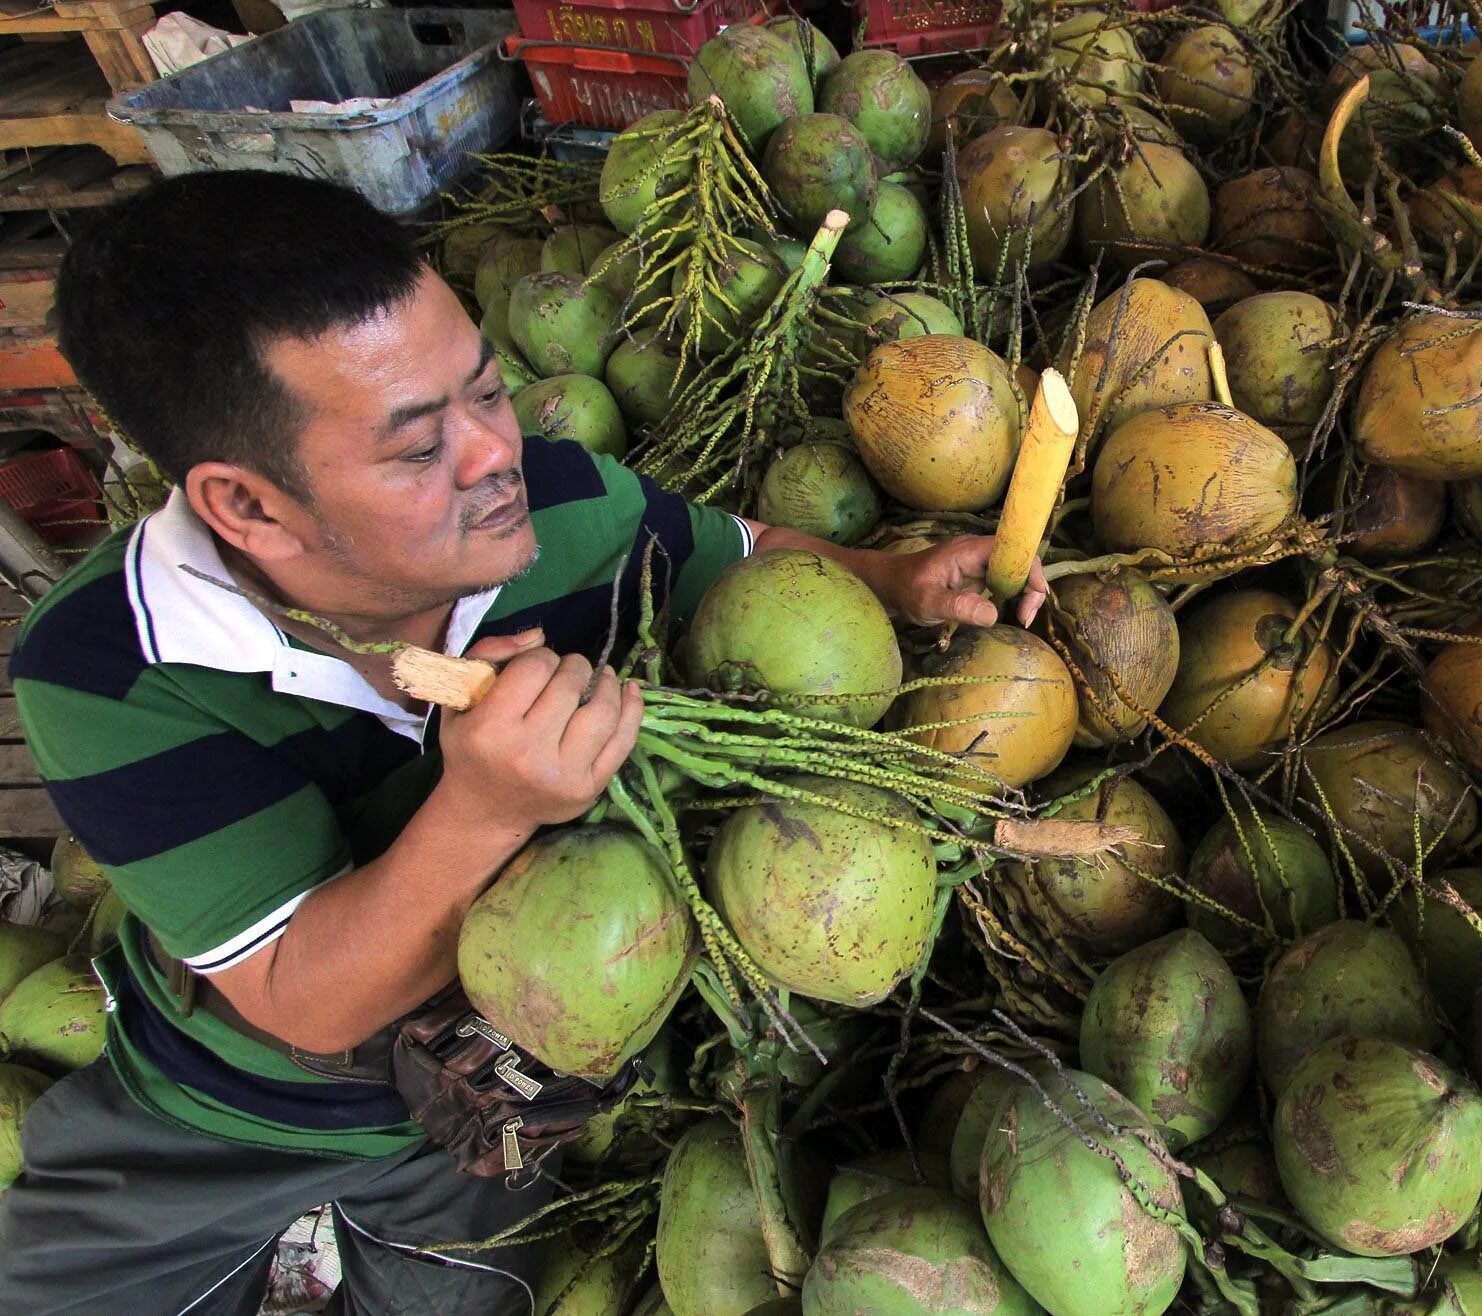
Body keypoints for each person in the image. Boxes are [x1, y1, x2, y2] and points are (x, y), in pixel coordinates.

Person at [0, 170, 1046, 1315]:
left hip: (509, 1084)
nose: (493, 452)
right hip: (249, 1102)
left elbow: (745, 549)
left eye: (487, 392)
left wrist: (893, 579)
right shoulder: (109, 666)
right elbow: (303, 997)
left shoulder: (559, 499)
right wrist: (485, 807)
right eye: (415, 448)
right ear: (247, 505)